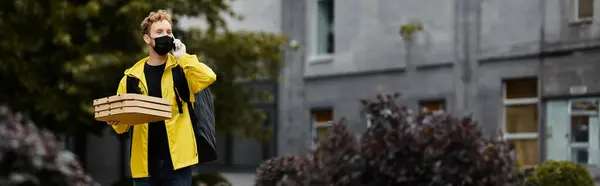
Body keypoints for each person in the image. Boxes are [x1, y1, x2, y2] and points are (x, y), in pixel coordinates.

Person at [107, 9, 216, 186]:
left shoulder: (182, 69)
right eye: (159, 32)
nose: (165, 36)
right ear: (147, 39)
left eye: (169, 32)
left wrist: (183, 57)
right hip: (144, 166)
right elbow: (123, 127)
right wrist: (114, 120)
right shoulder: (131, 78)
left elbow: (208, 77)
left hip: (178, 164)